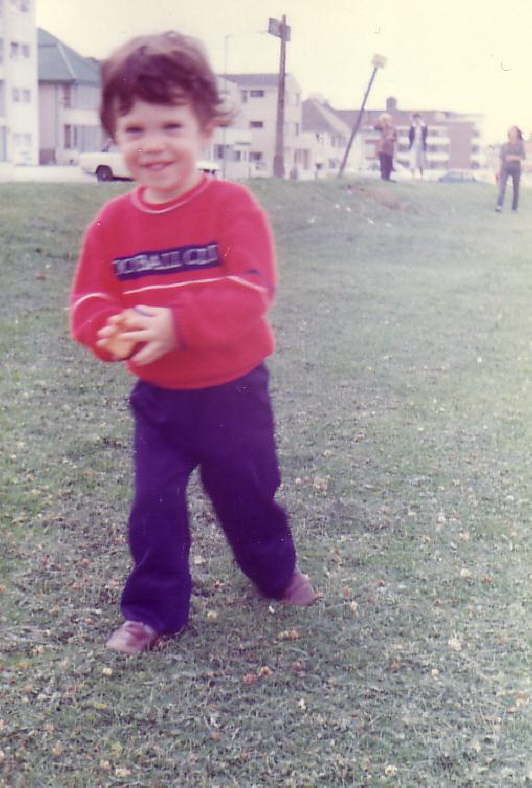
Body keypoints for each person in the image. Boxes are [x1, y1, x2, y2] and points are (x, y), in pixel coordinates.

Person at [70, 31, 317, 654]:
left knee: (248, 493)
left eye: (171, 125)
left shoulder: (232, 205)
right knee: (153, 504)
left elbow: (250, 290)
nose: (153, 144)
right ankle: (152, 611)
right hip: (161, 399)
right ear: (114, 136)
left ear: (206, 129)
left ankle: (275, 572)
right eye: (134, 130)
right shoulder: (111, 223)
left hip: (234, 391)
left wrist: (176, 323)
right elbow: (90, 302)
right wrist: (112, 332)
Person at [496, 126, 526, 212]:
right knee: (502, 187)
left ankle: (514, 208)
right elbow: (501, 158)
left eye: (514, 131)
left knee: (516, 189)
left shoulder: (520, 145)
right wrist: (498, 170)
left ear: (517, 133)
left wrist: (512, 158)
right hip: (505, 168)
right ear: (508, 133)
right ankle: (499, 206)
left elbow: (523, 157)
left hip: (516, 169)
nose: (512, 132)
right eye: (511, 131)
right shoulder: (504, 145)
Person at [374, 113, 397, 181]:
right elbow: (375, 127)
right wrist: (380, 121)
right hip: (382, 148)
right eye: (385, 120)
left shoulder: (393, 128)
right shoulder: (381, 127)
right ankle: (383, 177)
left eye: (388, 119)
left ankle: (388, 178)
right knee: (383, 163)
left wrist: (391, 138)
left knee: (389, 164)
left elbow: (396, 138)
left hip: (390, 148)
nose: (387, 121)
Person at [408, 114, 428, 179]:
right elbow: (410, 136)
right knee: (413, 160)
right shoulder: (412, 127)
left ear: (420, 118)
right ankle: (412, 175)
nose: (417, 120)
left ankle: (421, 176)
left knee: (421, 161)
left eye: (418, 118)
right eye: (415, 119)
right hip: (414, 145)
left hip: (421, 145)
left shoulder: (424, 126)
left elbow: (425, 136)